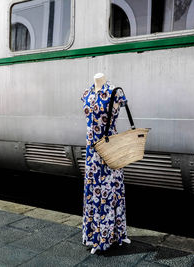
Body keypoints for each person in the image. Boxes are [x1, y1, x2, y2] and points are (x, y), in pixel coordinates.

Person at [80, 73, 131, 254]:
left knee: (111, 192)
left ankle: (114, 234)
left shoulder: (114, 92)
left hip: (109, 149)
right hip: (92, 152)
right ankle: (96, 236)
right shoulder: (86, 93)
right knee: (95, 192)